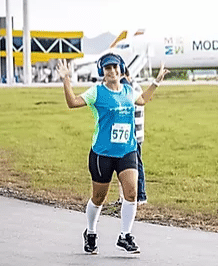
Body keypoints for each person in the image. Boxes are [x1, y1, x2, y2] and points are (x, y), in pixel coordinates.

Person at [56, 53, 169, 255]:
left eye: (115, 67)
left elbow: (142, 100)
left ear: (122, 69)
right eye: (108, 68)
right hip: (102, 154)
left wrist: (156, 82)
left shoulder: (128, 90)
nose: (112, 71)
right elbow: (72, 102)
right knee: (99, 198)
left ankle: (125, 235)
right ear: (102, 72)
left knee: (132, 193)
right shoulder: (96, 92)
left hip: (127, 150)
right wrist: (66, 79)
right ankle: (90, 232)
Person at [119, 68, 147, 205]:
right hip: (131, 133)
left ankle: (141, 195)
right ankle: (125, 196)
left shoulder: (131, 88)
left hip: (133, 133)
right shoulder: (134, 87)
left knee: (136, 165)